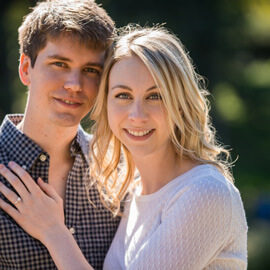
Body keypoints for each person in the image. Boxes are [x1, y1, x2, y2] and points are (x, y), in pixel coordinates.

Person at [0, 25, 248, 269]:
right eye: (123, 95)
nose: (137, 115)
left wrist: (54, 232)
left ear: (180, 104)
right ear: (105, 104)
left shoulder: (205, 192)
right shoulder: (128, 193)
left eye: (155, 96)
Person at [0, 0, 120, 269]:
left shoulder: (118, 175)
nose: (75, 85)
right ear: (25, 68)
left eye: (90, 70)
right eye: (60, 64)